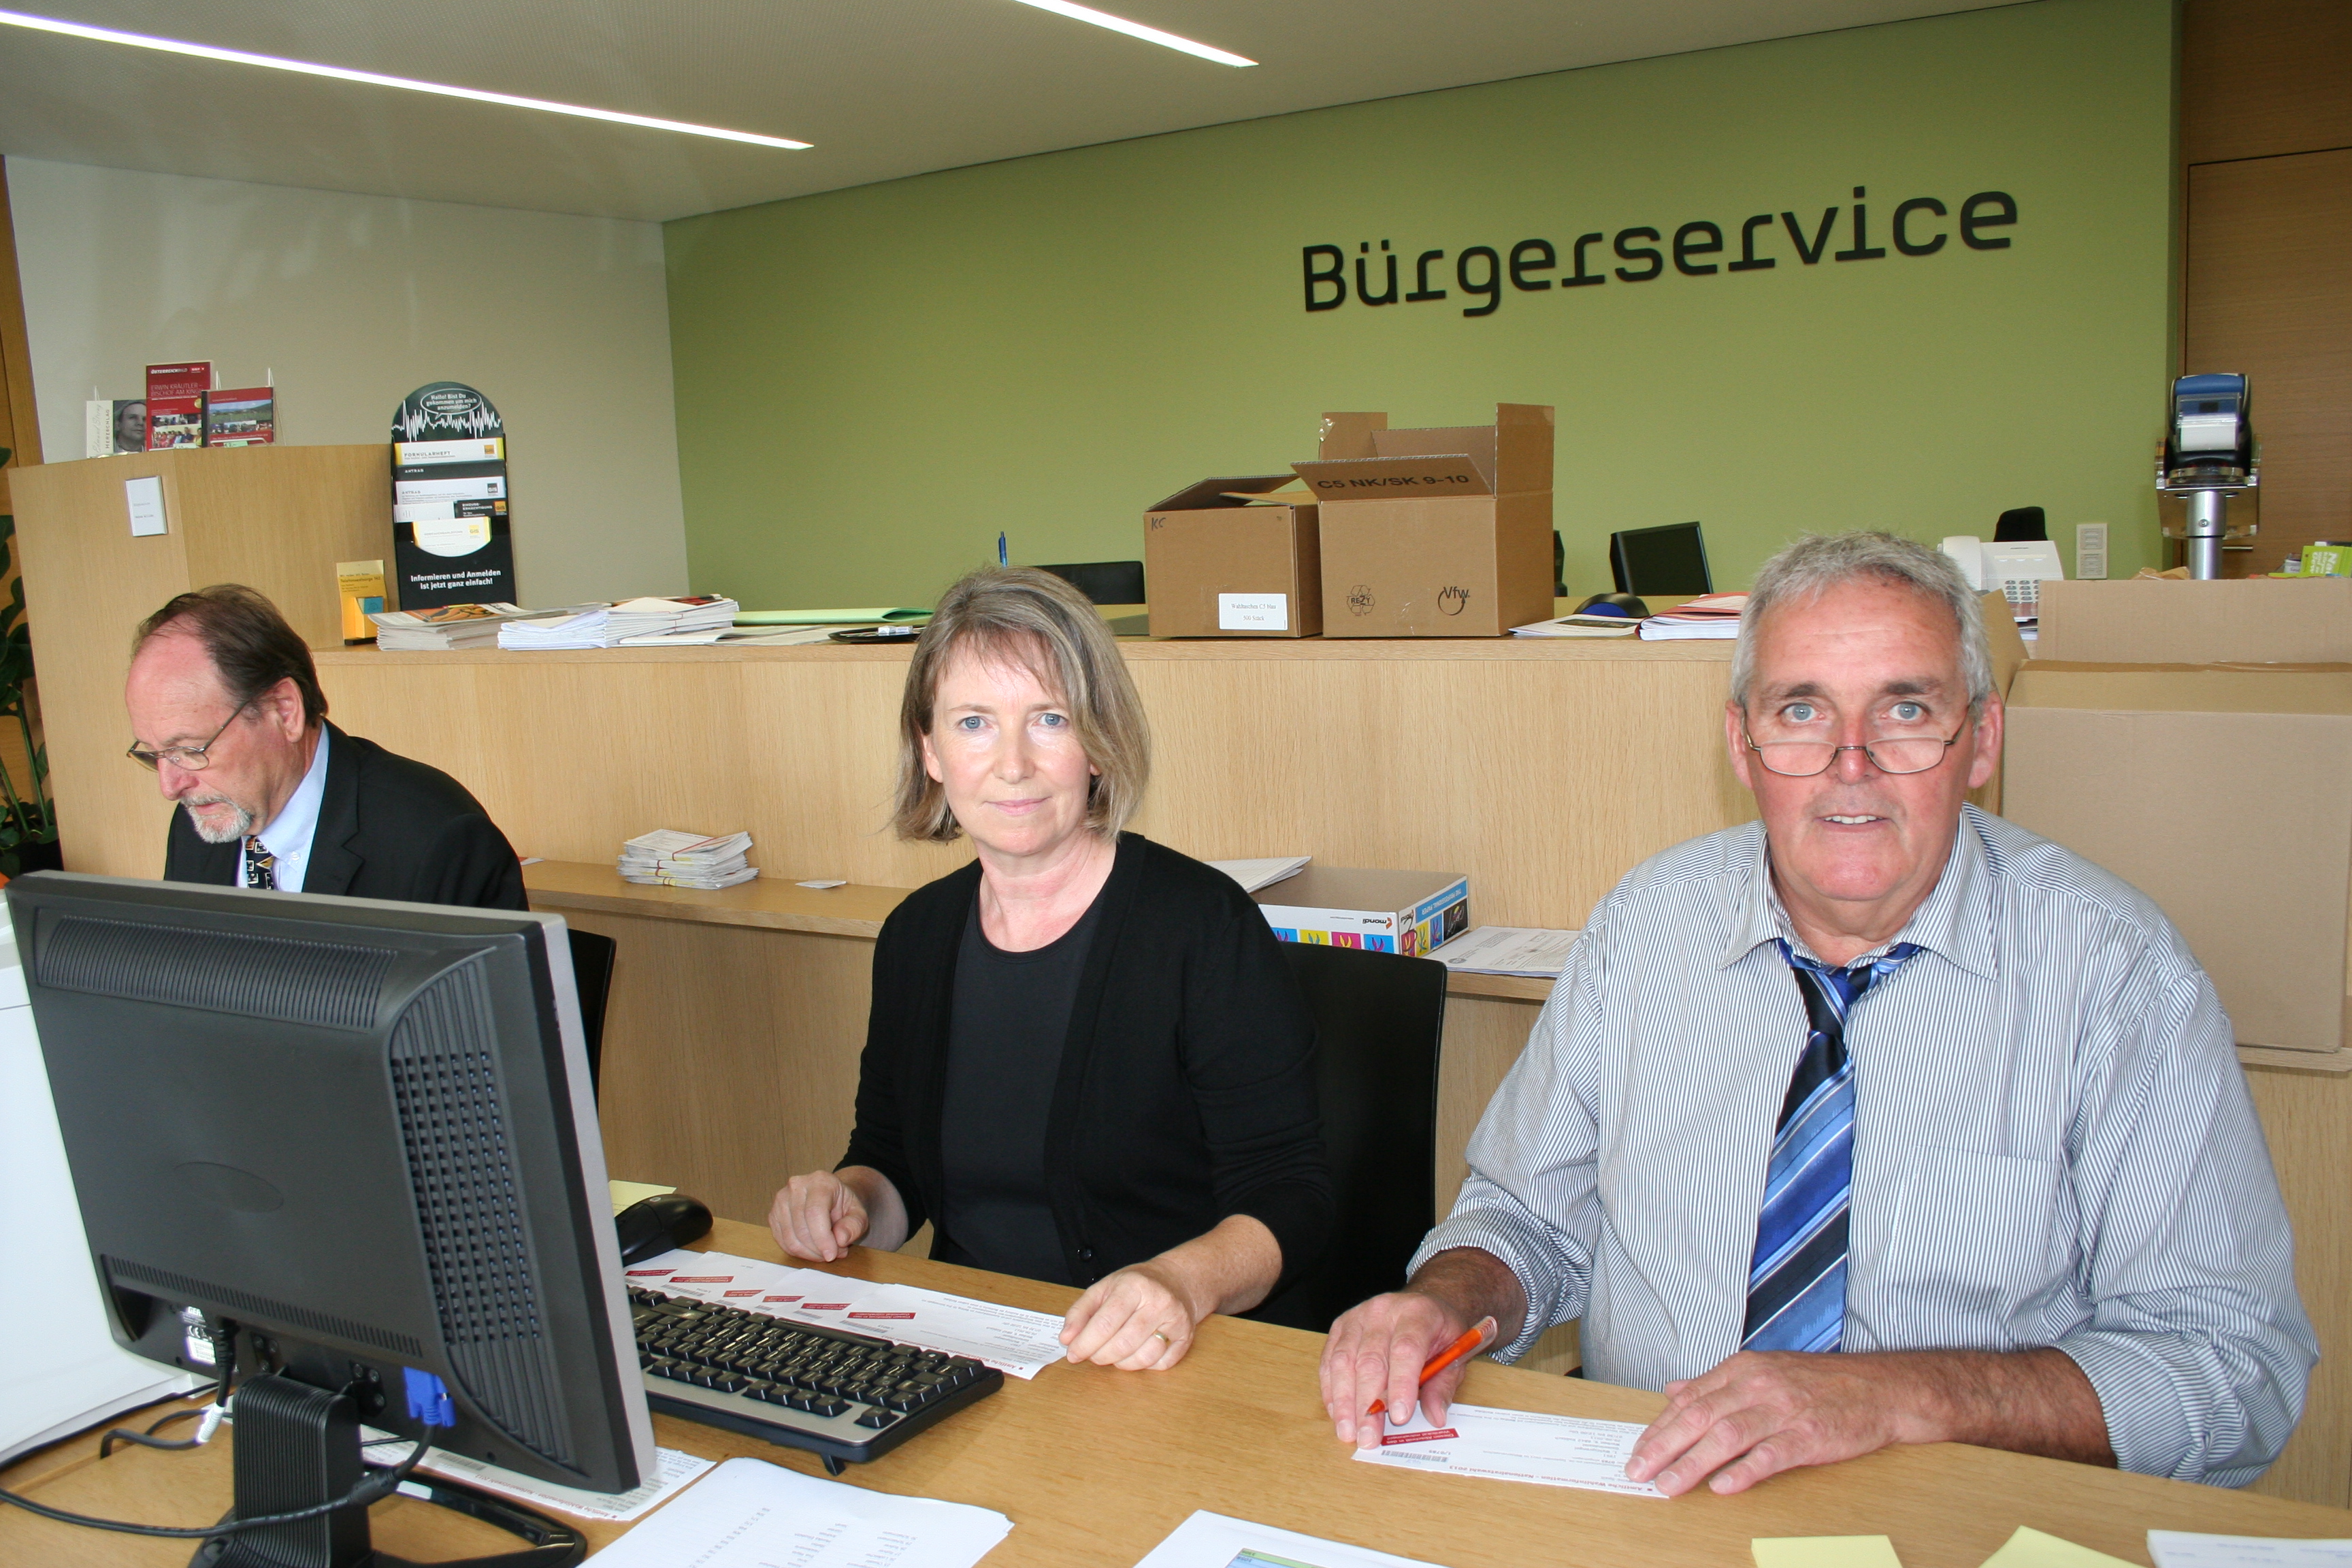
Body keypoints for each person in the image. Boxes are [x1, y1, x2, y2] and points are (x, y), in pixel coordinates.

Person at [1321, 531, 2315, 1492]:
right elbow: (1524, 1217)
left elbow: (2232, 1365)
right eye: (1801, 710)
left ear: (1981, 740)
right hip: (1657, 1497)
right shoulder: (1647, 926)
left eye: (1905, 709)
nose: (1851, 763)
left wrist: (1897, 1398)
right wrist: (1440, 1303)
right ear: (1742, 743)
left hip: (1960, 1516)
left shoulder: (2116, 971)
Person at [768, 566, 1328, 1371]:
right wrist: (846, 1200)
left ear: (1098, 743)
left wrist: (1182, 1281)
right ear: (929, 750)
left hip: (1169, 1358)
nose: (1013, 764)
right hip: (972, 1352)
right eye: (973, 723)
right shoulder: (916, 937)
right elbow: (893, 1164)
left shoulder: (1201, 929)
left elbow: (1292, 1195)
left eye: (1050, 719)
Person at [125, 584, 528, 909]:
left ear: (284, 711)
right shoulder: (201, 824)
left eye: (191, 750)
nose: (170, 787)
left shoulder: (436, 839)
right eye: (156, 755)